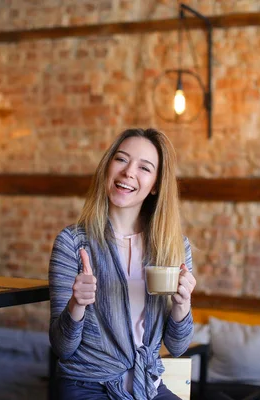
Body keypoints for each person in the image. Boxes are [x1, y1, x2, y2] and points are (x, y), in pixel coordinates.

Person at [49, 128, 196, 400]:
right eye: (121, 159)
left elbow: (177, 347)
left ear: (155, 186)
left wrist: (182, 305)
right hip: (87, 386)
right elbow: (62, 347)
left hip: (147, 386)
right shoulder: (72, 242)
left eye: (144, 167)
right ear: (107, 167)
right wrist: (76, 305)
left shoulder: (172, 247)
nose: (129, 172)